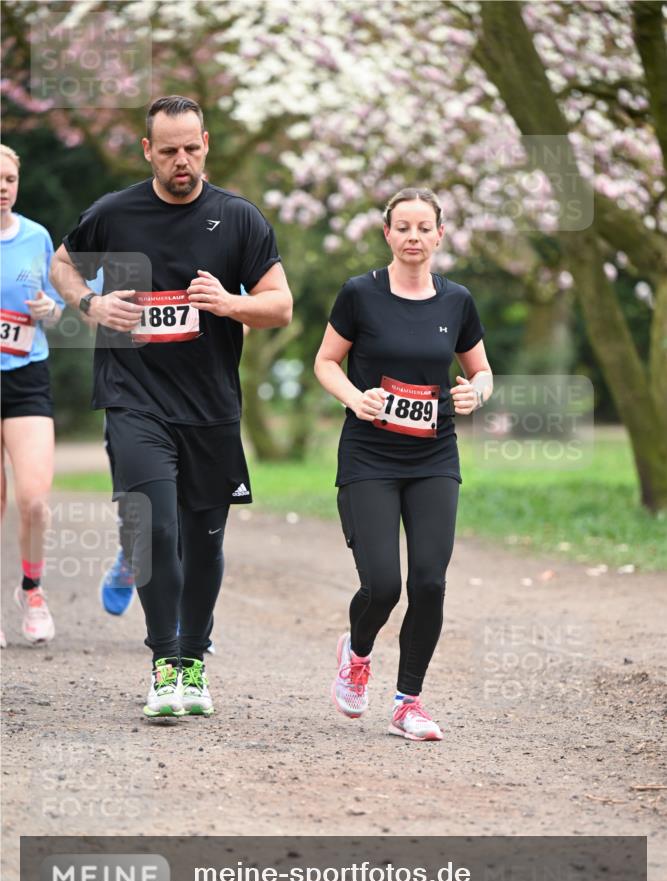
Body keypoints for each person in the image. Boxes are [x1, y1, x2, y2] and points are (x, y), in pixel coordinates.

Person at [50, 95, 292, 718]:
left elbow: (280, 305)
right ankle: (165, 663)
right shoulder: (115, 212)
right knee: (154, 529)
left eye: (190, 148)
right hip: (134, 399)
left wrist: (231, 304)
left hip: (210, 406)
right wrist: (91, 307)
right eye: (167, 151)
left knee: (203, 539)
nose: (180, 161)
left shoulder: (239, 219)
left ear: (206, 143)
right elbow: (62, 265)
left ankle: (193, 659)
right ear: (146, 151)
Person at [314, 187, 492, 741]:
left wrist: (476, 394)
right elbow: (325, 362)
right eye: (403, 227)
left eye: (424, 228)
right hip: (369, 454)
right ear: (387, 233)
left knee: (431, 583)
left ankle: (408, 701)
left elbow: (481, 370)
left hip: (434, 453)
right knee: (384, 586)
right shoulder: (359, 295)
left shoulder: (457, 300)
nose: (414, 237)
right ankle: (357, 652)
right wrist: (354, 398)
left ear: (440, 235)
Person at [1, 144, 63, 647]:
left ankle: (32, 588)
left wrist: (48, 308)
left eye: (9, 179)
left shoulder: (37, 237)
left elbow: (58, 305)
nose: (3, 186)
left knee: (34, 500)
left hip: (26, 375)